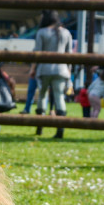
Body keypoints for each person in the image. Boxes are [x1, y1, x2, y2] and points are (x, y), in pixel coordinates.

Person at [32, 10, 72, 138]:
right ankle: (60, 128)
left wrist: (33, 69)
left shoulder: (42, 32)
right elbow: (69, 55)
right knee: (59, 96)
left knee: (42, 96)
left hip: (44, 69)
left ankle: (40, 127)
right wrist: (69, 70)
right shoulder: (66, 32)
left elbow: (37, 53)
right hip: (61, 69)